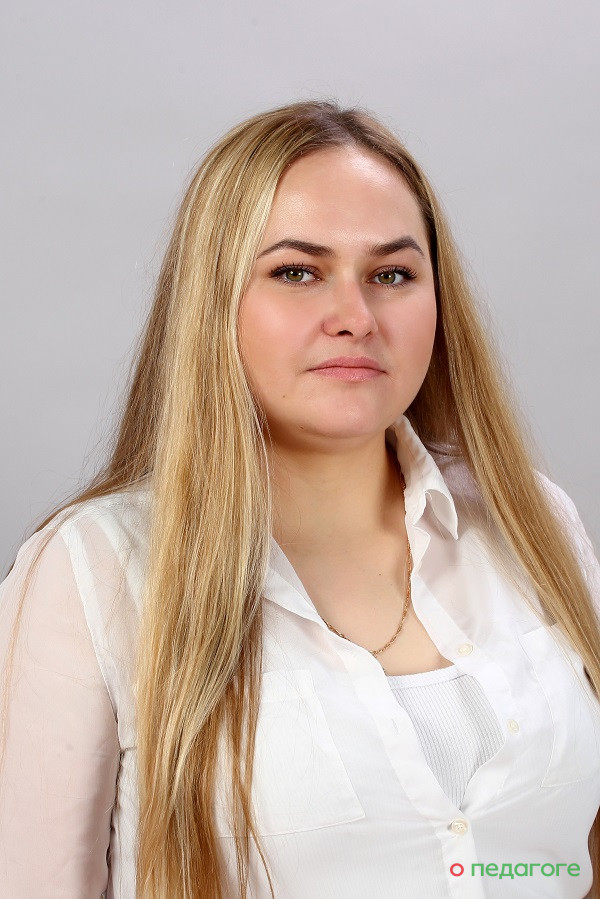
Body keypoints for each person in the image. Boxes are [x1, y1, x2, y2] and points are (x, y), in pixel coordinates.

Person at [0, 99, 599, 899]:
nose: (355, 317)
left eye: (392, 274)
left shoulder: (531, 521)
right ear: (215, 299)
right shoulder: (88, 574)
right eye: (297, 272)